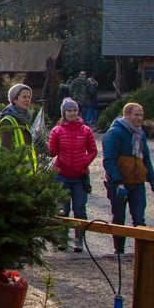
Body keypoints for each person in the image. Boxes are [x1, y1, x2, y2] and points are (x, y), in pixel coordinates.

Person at [102, 102, 154, 254]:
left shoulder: (140, 134)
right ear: (127, 115)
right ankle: (119, 250)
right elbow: (109, 160)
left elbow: (145, 158)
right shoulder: (114, 133)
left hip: (137, 183)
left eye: (141, 115)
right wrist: (118, 182)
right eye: (136, 114)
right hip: (119, 183)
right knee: (119, 217)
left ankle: (141, 253)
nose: (140, 118)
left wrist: (153, 180)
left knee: (139, 219)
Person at [48, 98, 97, 252]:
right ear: (64, 113)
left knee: (80, 209)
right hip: (61, 175)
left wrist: (84, 162)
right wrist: (46, 144)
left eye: (74, 110)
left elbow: (93, 151)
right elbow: (52, 153)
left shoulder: (86, 130)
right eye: (69, 111)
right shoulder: (57, 130)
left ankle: (79, 240)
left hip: (80, 176)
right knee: (62, 209)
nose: (72, 113)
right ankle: (62, 239)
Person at [0, 83, 35, 165]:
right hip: (15, 172)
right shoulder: (7, 120)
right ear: (14, 100)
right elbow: (5, 151)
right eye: (24, 97)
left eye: (29, 97)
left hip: (26, 170)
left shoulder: (25, 119)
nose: (28, 100)